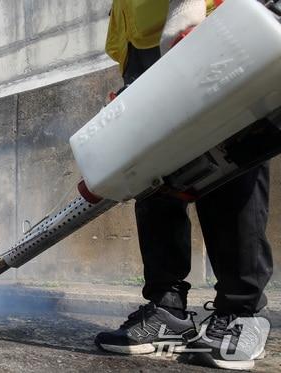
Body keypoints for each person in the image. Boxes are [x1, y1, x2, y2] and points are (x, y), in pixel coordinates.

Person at [95, 1, 273, 370]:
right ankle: (167, 309)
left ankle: (242, 312)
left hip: (205, 17)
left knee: (227, 160)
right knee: (152, 176)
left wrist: (188, 13)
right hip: (140, 39)